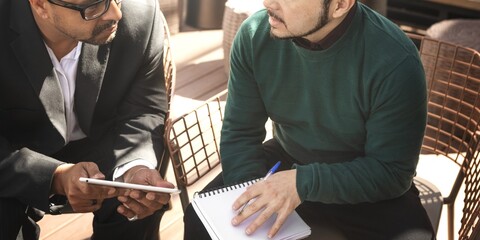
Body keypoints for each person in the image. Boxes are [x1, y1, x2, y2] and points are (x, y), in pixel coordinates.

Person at [184, 0, 435, 239]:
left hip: (363, 180)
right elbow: (240, 133)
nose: (267, 3)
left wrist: (303, 183)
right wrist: (251, 199)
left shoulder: (395, 61)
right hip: (287, 159)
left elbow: (391, 171)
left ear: (339, 5)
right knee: (200, 220)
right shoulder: (254, 35)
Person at [0, 0, 174, 239]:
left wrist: (135, 166)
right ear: (40, 5)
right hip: (13, 153)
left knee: (138, 209)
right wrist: (54, 176)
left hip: (105, 142)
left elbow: (143, 109)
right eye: (93, 7)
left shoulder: (141, 13)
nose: (116, 13)